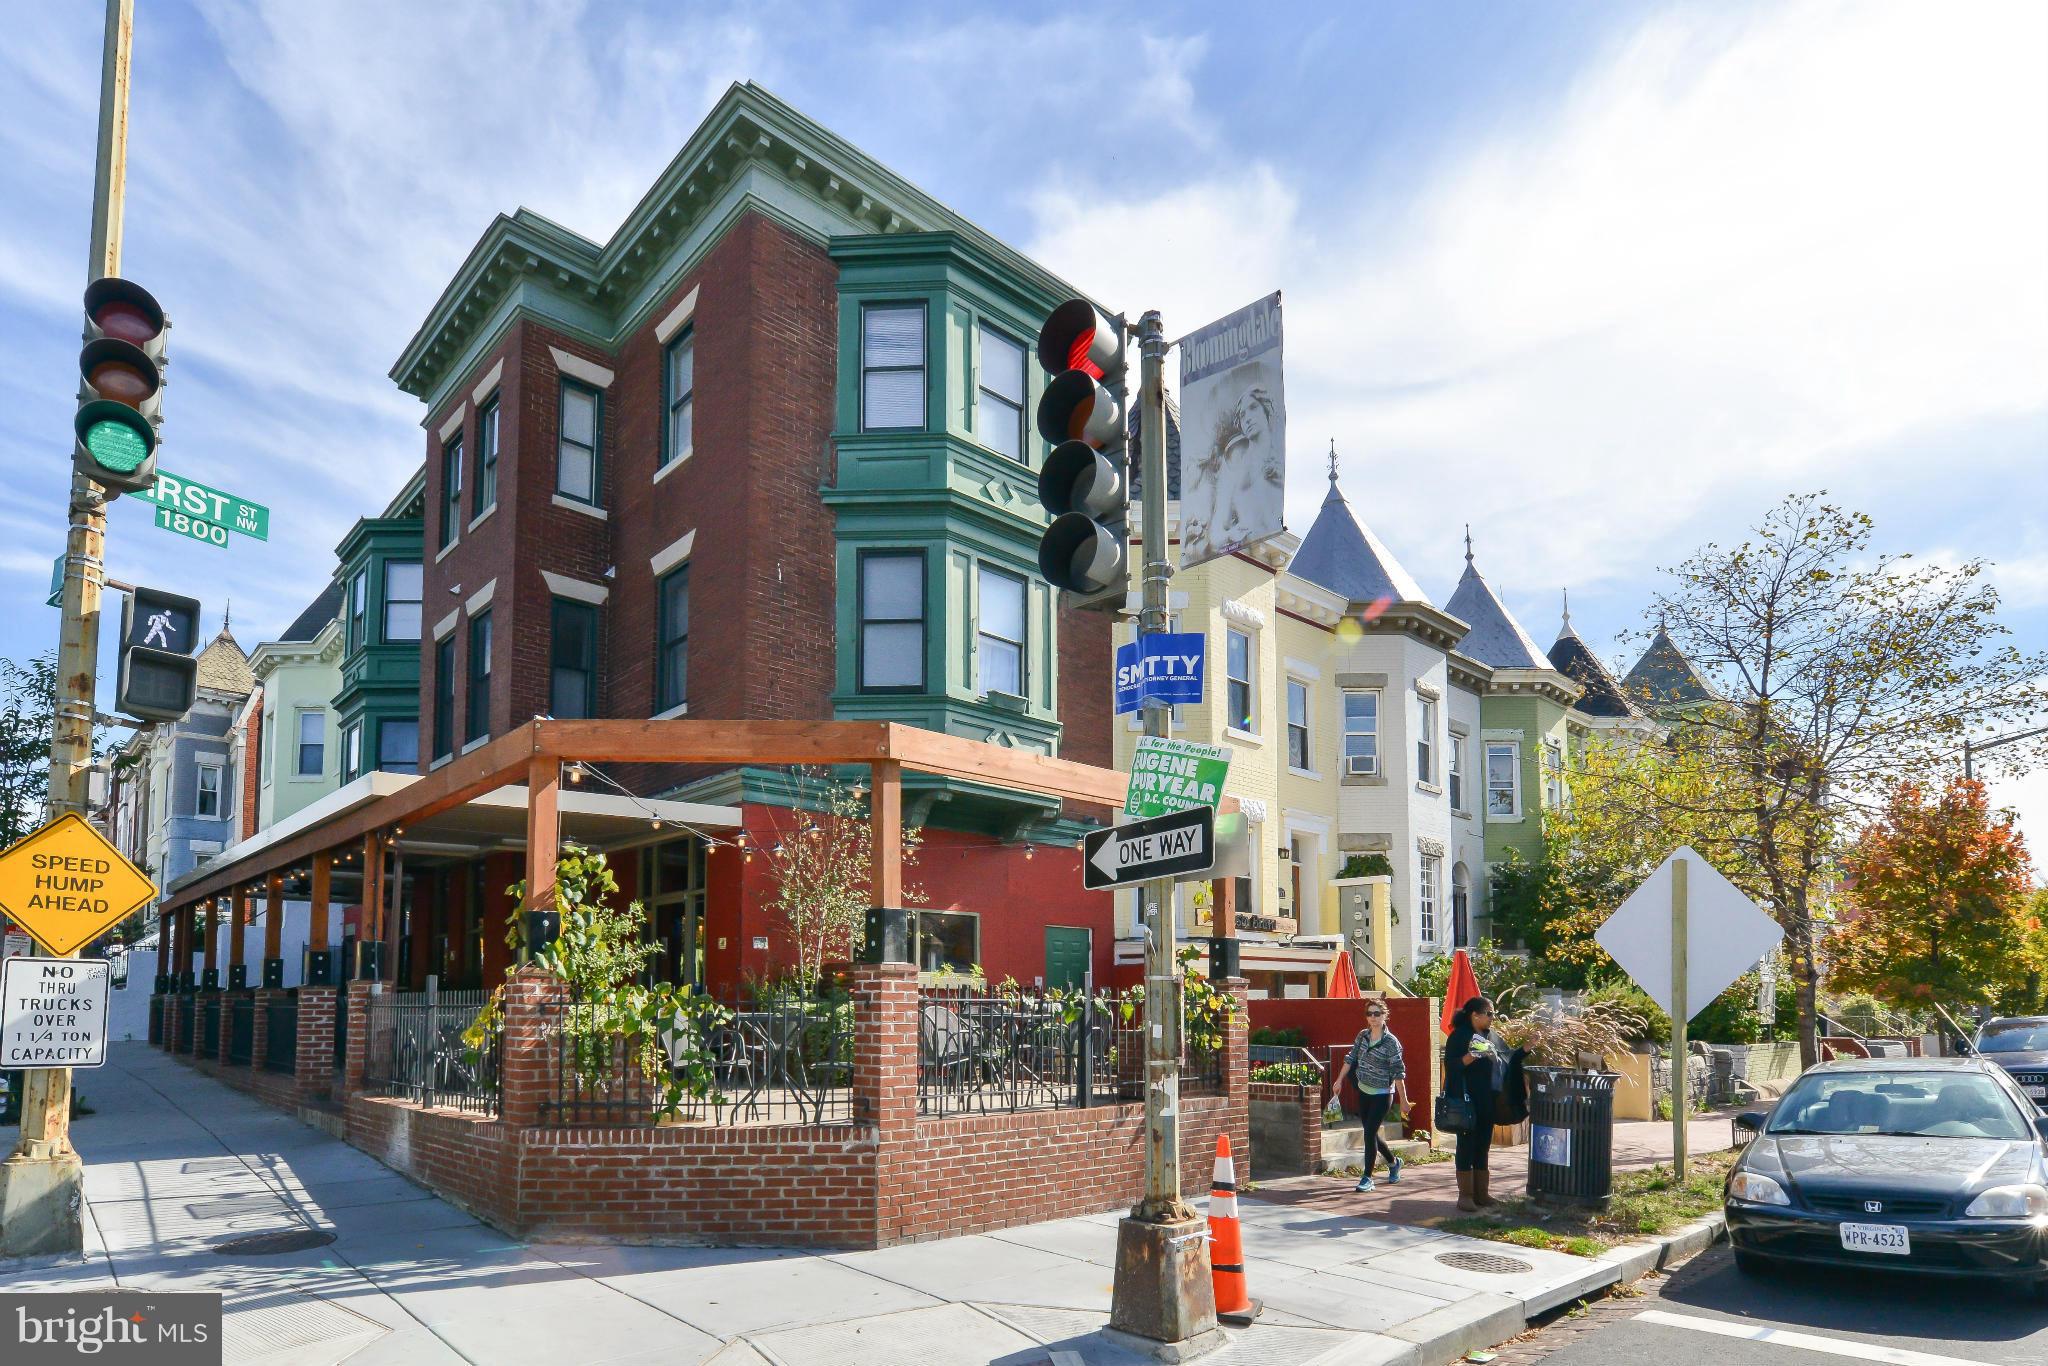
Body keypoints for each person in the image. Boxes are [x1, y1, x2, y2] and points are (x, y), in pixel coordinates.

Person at [1333, 1001, 1410, 1192]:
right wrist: (1339, 1080)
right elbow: (1351, 1058)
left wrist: (1404, 1101)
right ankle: (1393, 1162)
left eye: (1377, 1013)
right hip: (1364, 1090)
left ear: (1385, 1015)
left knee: (1368, 1134)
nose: (1373, 1017)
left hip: (1382, 1094)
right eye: (1369, 1014)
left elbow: (1398, 1072)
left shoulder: (1391, 1042)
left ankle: (1367, 1177)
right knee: (1371, 1132)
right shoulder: (1363, 1035)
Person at [1444, 995, 1502, 1211]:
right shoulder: (1460, 1036)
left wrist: (1524, 1051)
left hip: (1487, 1098)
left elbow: (1504, 1058)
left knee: (1484, 1144)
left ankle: (1482, 1193)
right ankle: (1465, 1195)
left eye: (1493, 1013)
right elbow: (1452, 1066)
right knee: (1466, 1144)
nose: (1492, 1018)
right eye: (1489, 1013)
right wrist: (1472, 1055)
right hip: (1466, 1100)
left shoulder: (1489, 1035)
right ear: (1474, 1015)